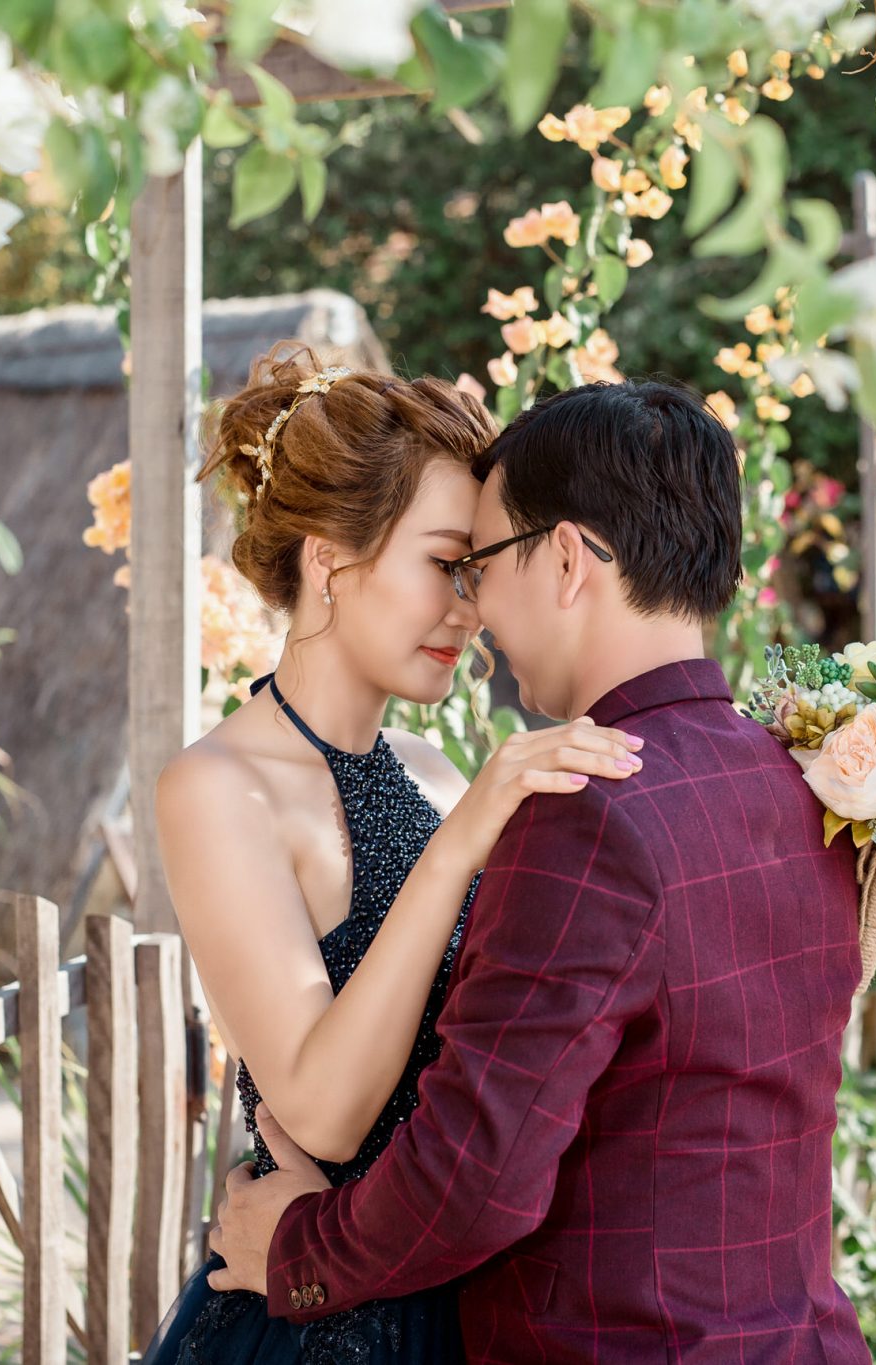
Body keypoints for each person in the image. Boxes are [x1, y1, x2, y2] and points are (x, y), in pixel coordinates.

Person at [205, 379, 873, 1362]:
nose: (473, 609)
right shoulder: (803, 782)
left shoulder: (588, 812)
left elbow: (477, 1175)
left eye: (477, 564)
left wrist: (298, 1250)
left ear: (564, 559)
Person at [143, 344, 646, 1364]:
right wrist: (456, 849)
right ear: (329, 558)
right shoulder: (216, 788)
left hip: (471, 1294)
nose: (471, 608)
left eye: (477, 571)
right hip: (316, 1317)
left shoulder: (438, 771)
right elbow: (323, 1113)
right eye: (444, 564)